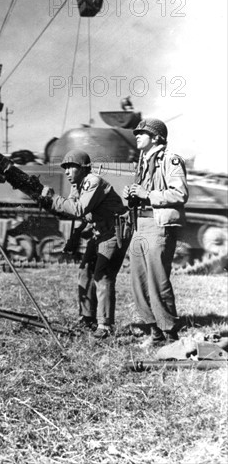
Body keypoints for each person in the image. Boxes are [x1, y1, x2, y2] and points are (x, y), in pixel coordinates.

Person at [41, 149, 130, 339]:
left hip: (114, 232)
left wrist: (53, 198)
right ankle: (87, 318)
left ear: (82, 168)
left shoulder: (93, 181)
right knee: (85, 272)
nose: (66, 172)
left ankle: (105, 325)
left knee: (103, 276)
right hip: (99, 232)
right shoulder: (78, 185)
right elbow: (73, 212)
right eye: (65, 168)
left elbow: (78, 208)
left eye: (70, 167)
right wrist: (76, 234)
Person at [122, 118, 189, 346]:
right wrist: (133, 195)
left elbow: (179, 194)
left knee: (158, 281)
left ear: (156, 137)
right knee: (138, 282)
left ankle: (170, 335)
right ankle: (155, 333)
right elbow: (144, 192)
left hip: (158, 225)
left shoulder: (170, 160)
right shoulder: (143, 160)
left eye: (142, 133)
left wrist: (147, 195)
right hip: (140, 224)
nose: (137, 136)